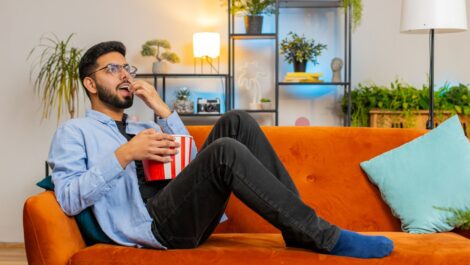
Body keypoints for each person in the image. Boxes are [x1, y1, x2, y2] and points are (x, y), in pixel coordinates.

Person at [48, 41, 394, 259]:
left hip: (181, 209)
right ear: (90, 84)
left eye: (127, 67)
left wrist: (163, 111)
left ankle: (298, 231)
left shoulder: (144, 124)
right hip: (154, 226)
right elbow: (68, 198)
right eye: (113, 69)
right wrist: (124, 154)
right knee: (225, 150)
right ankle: (323, 235)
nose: (124, 74)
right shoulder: (74, 131)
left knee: (237, 121)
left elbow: (193, 163)